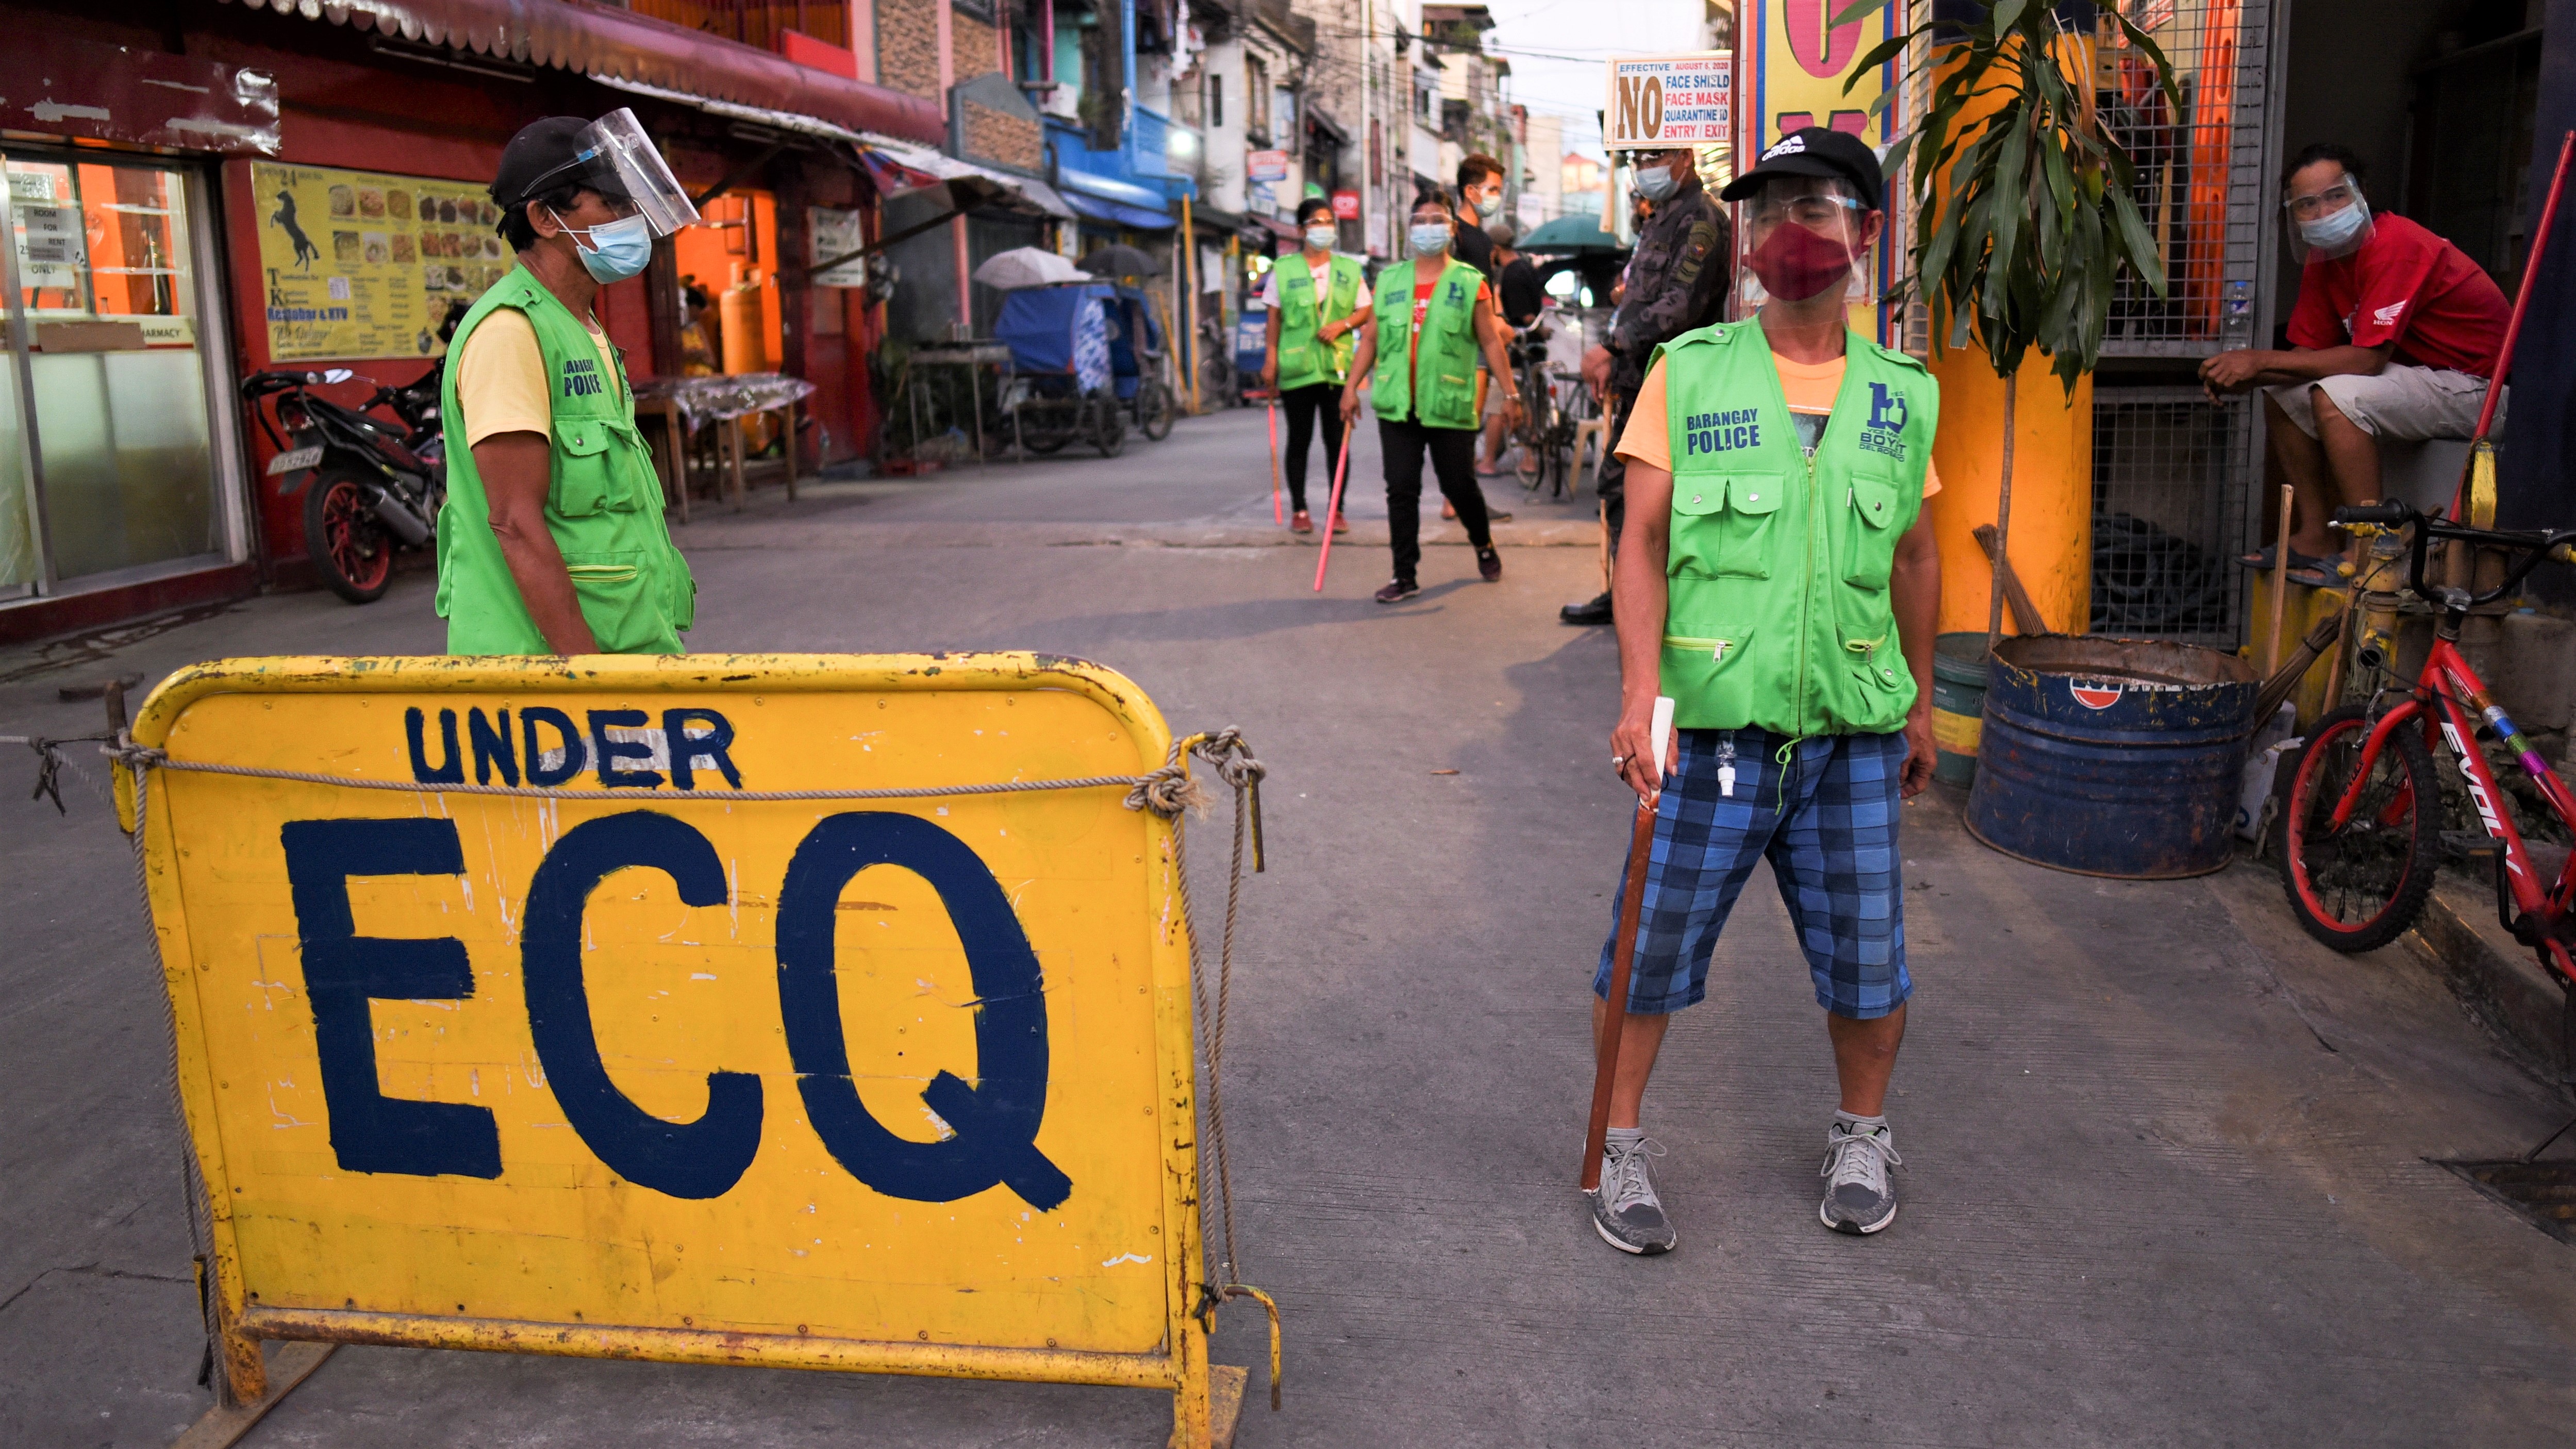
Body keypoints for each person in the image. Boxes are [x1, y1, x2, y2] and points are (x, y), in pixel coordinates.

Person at [1586, 127, 1941, 1255]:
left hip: (1852, 734)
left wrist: (1920, 704)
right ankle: (1616, 1146)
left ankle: (1862, 1134)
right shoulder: (1690, 372)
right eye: (1771, 208)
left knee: (1867, 960)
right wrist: (1639, 695)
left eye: (1815, 206)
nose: (1790, 229)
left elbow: (1915, 556)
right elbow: (1639, 542)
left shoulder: (1901, 395)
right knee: (1648, 951)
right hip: (1711, 733)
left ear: (1865, 232)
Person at [438, 111, 700, 655]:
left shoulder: (580, 327)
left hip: (628, 648)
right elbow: (514, 521)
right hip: (552, 670)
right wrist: (587, 676)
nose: (631, 219)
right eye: (612, 204)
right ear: (545, 218)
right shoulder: (510, 333)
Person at [2200, 143, 2511, 585]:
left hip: (2482, 389)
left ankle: (2371, 548)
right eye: (2306, 204)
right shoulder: (2324, 259)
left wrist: (2257, 360)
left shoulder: (2395, 243)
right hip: (2423, 378)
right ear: (2293, 214)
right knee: (2281, 391)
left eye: (2335, 196)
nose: (2323, 212)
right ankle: (2315, 535)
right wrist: (2248, 375)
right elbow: (2304, 356)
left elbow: (2367, 359)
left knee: (2335, 395)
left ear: (2361, 192)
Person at [1563, 145, 1731, 626]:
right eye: (1638, 160)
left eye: (1654, 157)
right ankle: (1627, 594)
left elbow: (1680, 305)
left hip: (1676, 385)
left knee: (1646, 496)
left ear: (1684, 158)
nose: (1643, 168)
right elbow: (1638, 296)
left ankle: (1646, 602)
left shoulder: (1699, 219)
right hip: (1640, 382)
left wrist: (1609, 347)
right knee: (1620, 489)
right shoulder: (1660, 217)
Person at [1340, 193, 1525, 603]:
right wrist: (1351, 388)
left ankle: (1483, 543)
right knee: (1401, 489)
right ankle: (1403, 574)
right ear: (1409, 229)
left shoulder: (1470, 282)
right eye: (1419, 220)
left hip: (1447, 401)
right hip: (1397, 403)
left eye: (1436, 219)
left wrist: (1510, 393)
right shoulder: (1389, 280)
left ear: (1452, 228)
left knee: (1459, 486)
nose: (1428, 227)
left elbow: (1490, 342)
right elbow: (1370, 339)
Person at [1259, 196, 1371, 534]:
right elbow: (1274, 318)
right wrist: (1270, 359)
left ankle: (1337, 509)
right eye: (1315, 222)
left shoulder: (1349, 270)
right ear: (1300, 230)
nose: (1323, 228)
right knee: (1299, 440)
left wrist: (1342, 325)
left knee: (1337, 441)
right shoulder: (1283, 270)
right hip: (1297, 368)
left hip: (1337, 369)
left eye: (1328, 222)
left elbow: (1365, 310)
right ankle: (1300, 509)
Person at [1480, 223, 1548, 478]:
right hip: (1535, 349)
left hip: (1518, 351)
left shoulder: (1512, 275)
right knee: (1530, 404)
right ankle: (1529, 460)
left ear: (1496, 249)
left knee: (1499, 403)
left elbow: (1525, 316)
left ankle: (1488, 461)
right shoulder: (1527, 268)